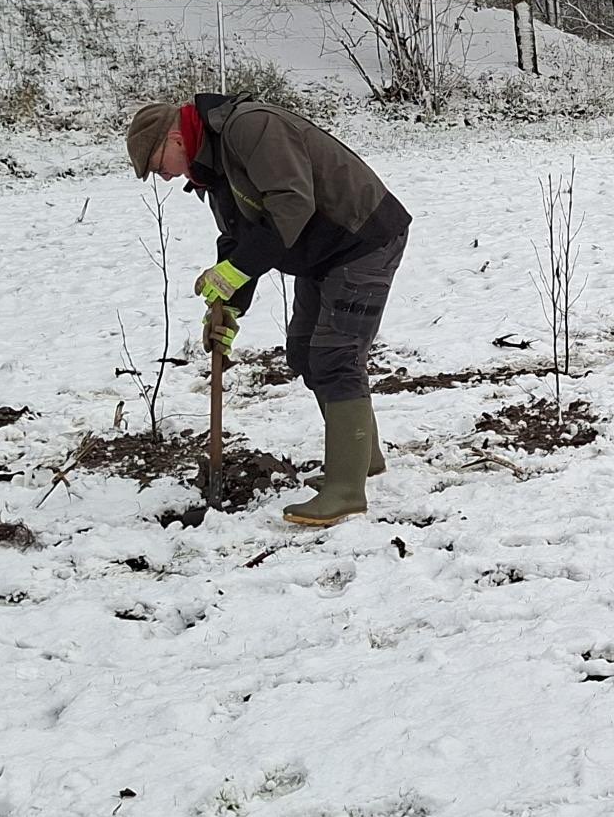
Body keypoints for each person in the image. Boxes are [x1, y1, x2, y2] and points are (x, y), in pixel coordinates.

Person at [126, 95, 412, 527]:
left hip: (362, 237)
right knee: (303, 350)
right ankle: (361, 460)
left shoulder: (251, 128)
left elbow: (291, 207)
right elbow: (240, 240)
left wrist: (234, 273)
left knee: (336, 355)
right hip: (324, 252)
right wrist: (228, 307)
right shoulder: (211, 166)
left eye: (156, 163)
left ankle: (346, 490)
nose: (162, 176)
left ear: (174, 137)